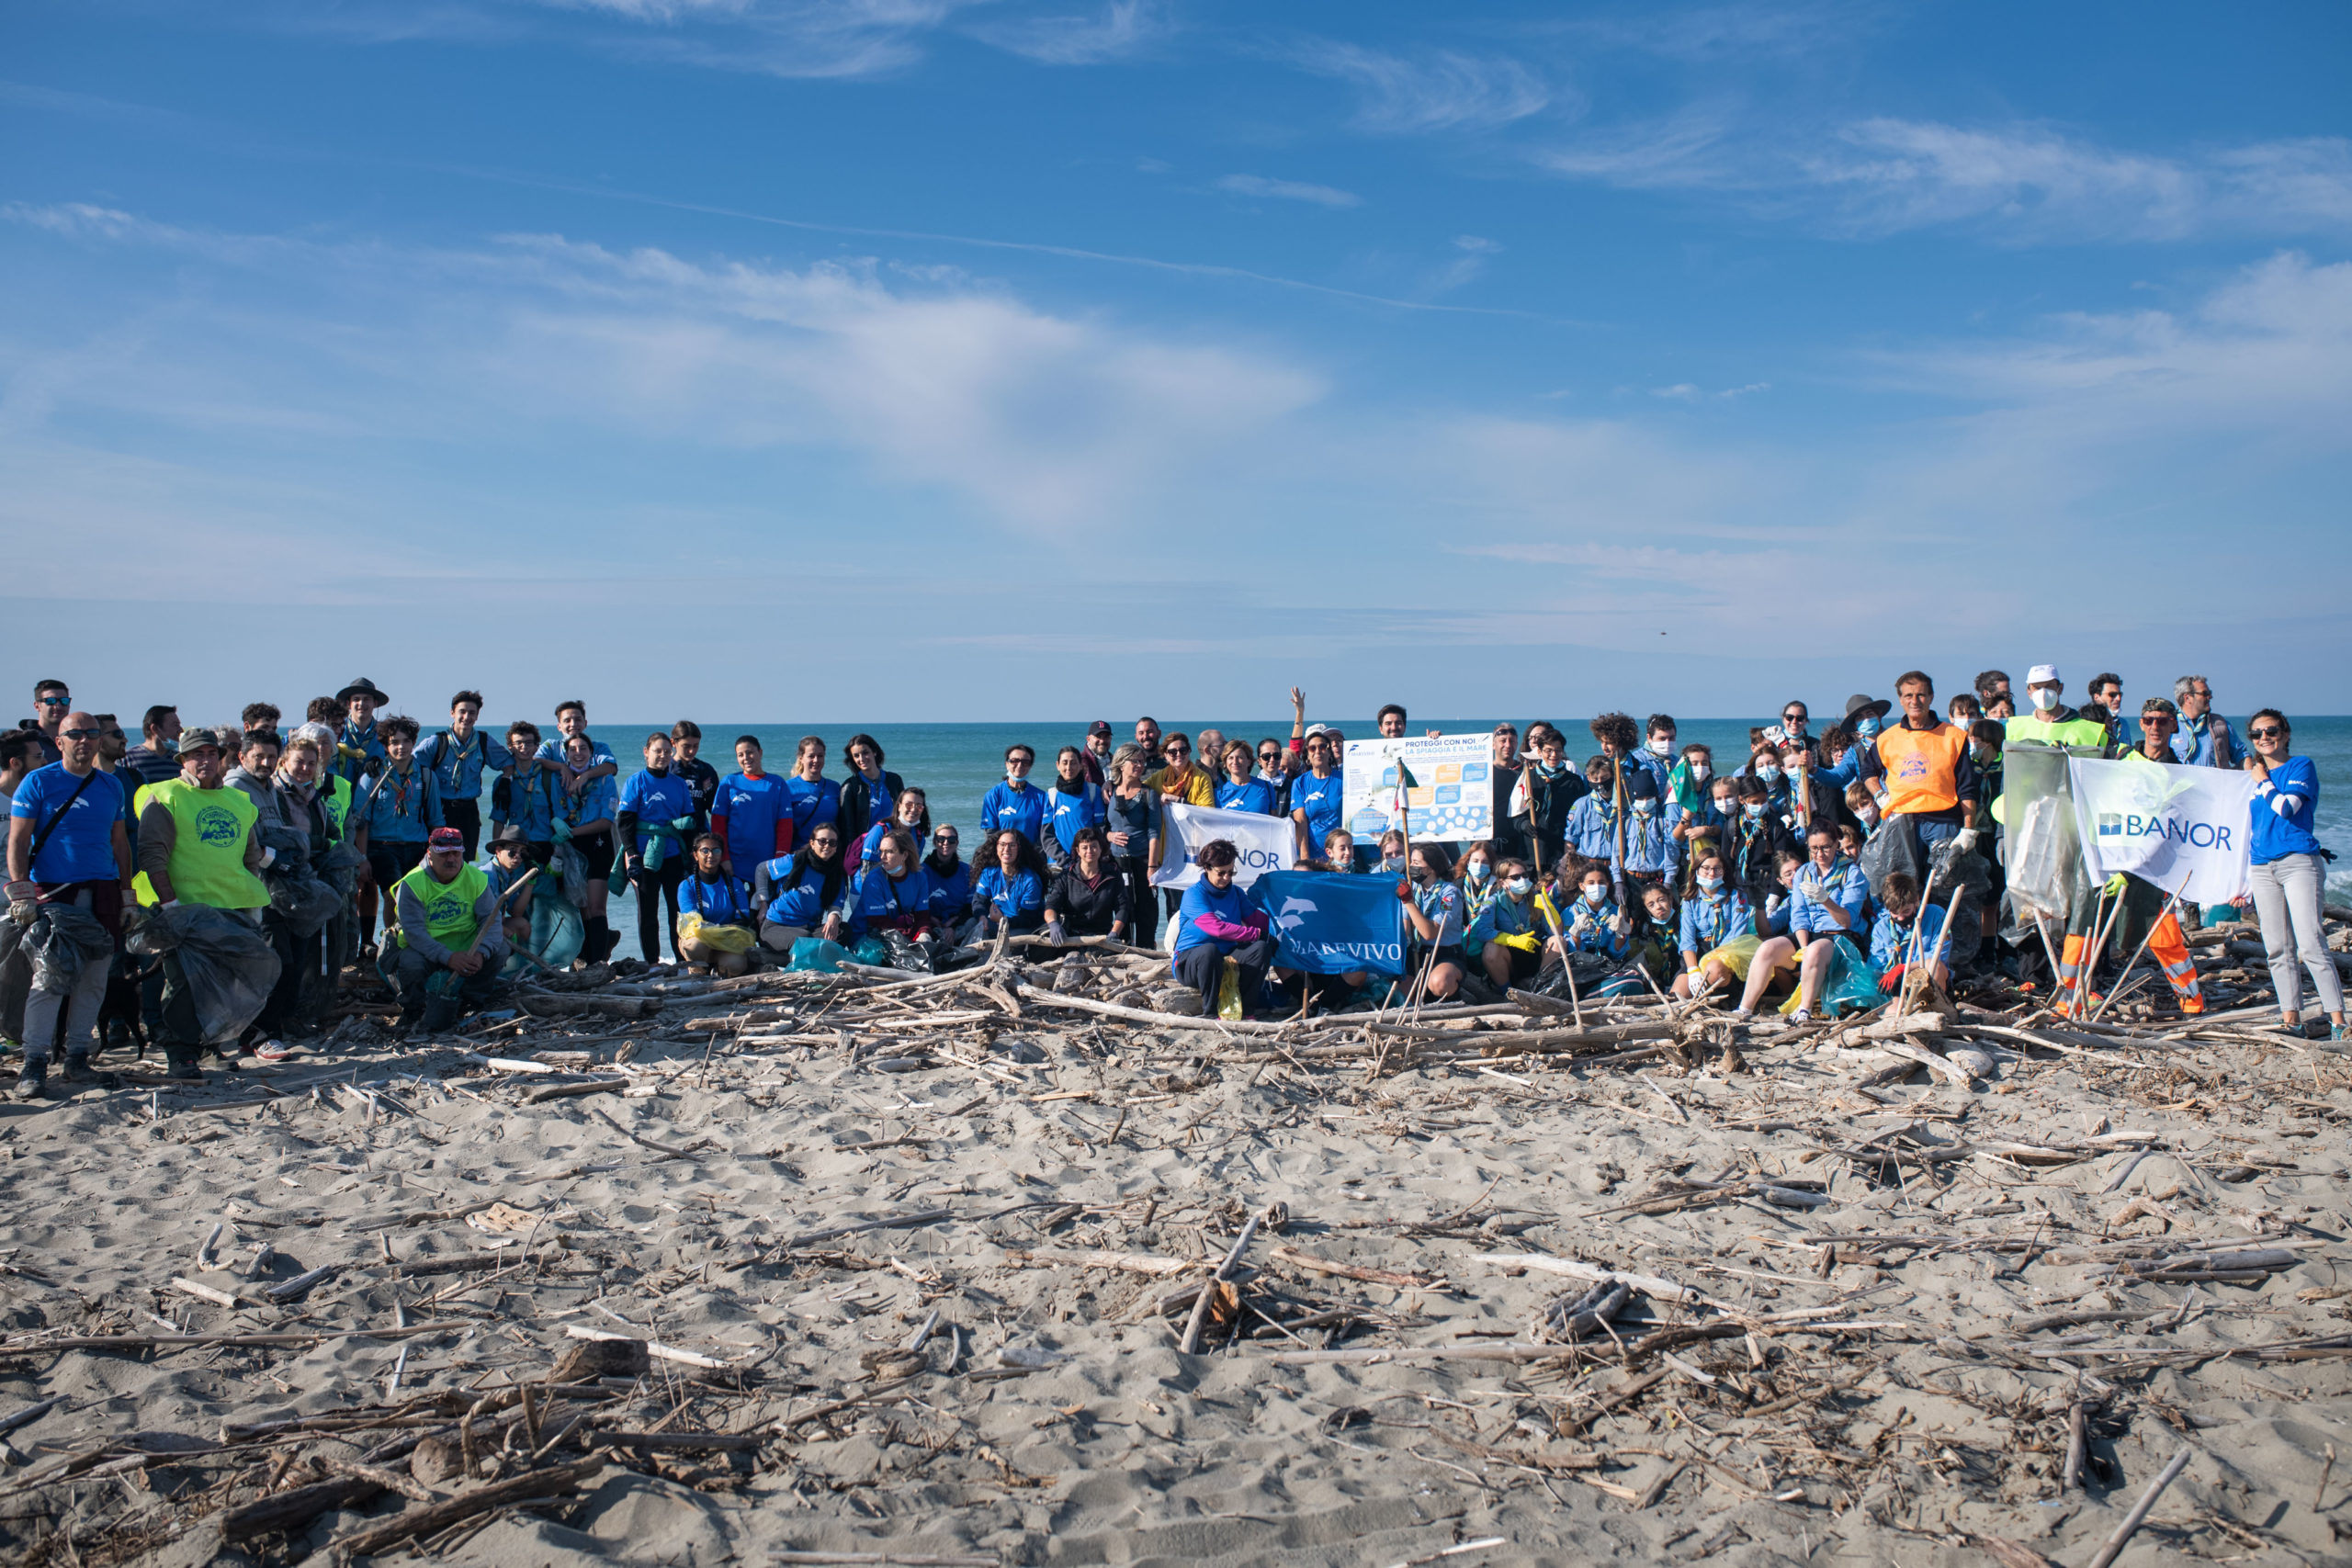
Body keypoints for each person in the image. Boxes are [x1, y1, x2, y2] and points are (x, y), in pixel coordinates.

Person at [130, 727, 272, 1079]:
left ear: (221, 757)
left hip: (229, 910)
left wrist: (248, 898)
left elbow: (251, 856)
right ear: (182, 760)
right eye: (196, 755)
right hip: (183, 910)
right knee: (182, 984)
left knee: (220, 984)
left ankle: (210, 1047)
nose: (205, 760)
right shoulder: (164, 796)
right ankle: (181, 1053)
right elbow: (152, 857)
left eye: (211, 753)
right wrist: (171, 906)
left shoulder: (238, 801)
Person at [6, 709, 132, 1094]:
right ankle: (35, 1063)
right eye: (74, 734)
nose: (84, 740)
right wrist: (21, 890)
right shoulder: (37, 782)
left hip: (104, 893)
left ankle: (78, 1059)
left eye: (91, 734)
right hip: (54, 894)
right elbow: (17, 841)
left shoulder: (111, 786)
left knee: (94, 980)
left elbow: (120, 843)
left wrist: (128, 895)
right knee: (48, 980)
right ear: (58, 741)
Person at [2244, 710, 2343, 1040]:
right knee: (2276, 947)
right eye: (2257, 734)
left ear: (2285, 734)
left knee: (2312, 943)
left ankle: (2339, 1021)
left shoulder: (2301, 766)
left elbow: (2287, 808)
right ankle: (2292, 1019)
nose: (2264, 738)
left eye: (2271, 731)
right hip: (2261, 867)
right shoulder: (2251, 778)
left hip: (2299, 862)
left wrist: (2262, 780)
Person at [1736, 822, 1869, 1023]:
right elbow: (1799, 914)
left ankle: (1804, 1010)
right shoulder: (1805, 872)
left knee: (1815, 951)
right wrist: (1803, 946)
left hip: (1840, 936)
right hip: (1809, 933)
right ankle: (1744, 1008)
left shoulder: (1852, 874)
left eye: (1825, 847)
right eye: (1814, 848)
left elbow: (1846, 920)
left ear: (1835, 845)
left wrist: (1826, 900)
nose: (1820, 854)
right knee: (1768, 948)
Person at [383, 826, 509, 1033]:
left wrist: (480, 953)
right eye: (444, 854)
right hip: (426, 946)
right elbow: (414, 932)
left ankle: (472, 1001)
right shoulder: (412, 883)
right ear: (430, 854)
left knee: (500, 949)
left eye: (456, 854)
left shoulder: (476, 879)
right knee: (410, 962)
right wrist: (447, 957)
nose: (451, 859)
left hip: (466, 943)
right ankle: (412, 1009)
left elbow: (491, 920)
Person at [1857, 671, 1980, 856]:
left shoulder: (1954, 736)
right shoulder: (1887, 738)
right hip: (1900, 820)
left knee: (1943, 882)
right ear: (1900, 699)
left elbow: (1967, 786)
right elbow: (1867, 771)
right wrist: (1880, 795)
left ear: (1931, 697)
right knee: (1903, 882)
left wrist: (1968, 830)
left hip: (1943, 820)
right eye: (1908, 696)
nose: (1915, 701)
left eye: (1921, 695)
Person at [353, 716, 441, 955]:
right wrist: (362, 858)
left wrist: (438, 853)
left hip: (416, 846)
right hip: (382, 847)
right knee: (394, 895)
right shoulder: (372, 775)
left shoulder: (426, 776)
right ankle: (391, 945)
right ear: (385, 746)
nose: (400, 747)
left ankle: (414, 944)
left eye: (406, 741)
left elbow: (435, 820)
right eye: (394, 742)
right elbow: (361, 822)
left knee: (418, 899)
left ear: (414, 743)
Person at [1170, 839, 1272, 1016]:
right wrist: (1255, 934)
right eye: (1221, 873)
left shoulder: (1237, 893)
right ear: (1207, 868)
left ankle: (1247, 1010)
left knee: (1261, 948)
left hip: (1225, 959)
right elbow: (1216, 929)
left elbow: (1260, 922)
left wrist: (1272, 897)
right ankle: (1210, 1011)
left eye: (1231, 872)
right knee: (1209, 950)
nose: (1227, 878)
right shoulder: (1193, 894)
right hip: (1190, 962)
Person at [617, 732, 695, 964]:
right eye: (657, 751)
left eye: (666, 751)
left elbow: (689, 823)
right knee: (648, 913)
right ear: (646, 752)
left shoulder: (679, 784)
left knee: (677, 912)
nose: (662, 755)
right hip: (644, 856)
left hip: (673, 854)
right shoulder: (635, 781)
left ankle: (681, 963)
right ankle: (652, 964)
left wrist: (691, 856)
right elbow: (625, 823)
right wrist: (632, 855)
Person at [556, 732, 619, 964]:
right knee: (579, 908)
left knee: (596, 907)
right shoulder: (559, 779)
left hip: (598, 845)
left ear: (591, 753)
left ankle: (599, 964)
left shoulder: (604, 780)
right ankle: (583, 962)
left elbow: (606, 821)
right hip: (569, 849)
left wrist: (570, 833)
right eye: (573, 749)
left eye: (583, 748)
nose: (578, 753)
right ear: (566, 753)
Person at [1673, 852, 1755, 1004]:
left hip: (1726, 950)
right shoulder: (1689, 900)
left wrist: (1708, 962)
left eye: (1717, 869)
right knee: (1678, 995)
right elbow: (1687, 939)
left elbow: (1737, 934)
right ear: (1697, 870)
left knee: (1714, 971)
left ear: (1724, 871)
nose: (1711, 873)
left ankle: (1727, 999)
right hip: (1700, 949)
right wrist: (1693, 970)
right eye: (1706, 868)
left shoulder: (1737, 896)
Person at [1102, 746, 1162, 947]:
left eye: (1141, 761)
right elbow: (1103, 826)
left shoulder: (1148, 794)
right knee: (1121, 907)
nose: (1139, 765)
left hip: (1142, 858)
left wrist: (1152, 867)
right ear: (1121, 764)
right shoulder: (1110, 792)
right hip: (1117, 862)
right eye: (1134, 761)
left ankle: (1146, 950)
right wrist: (1109, 836)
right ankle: (1123, 949)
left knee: (1146, 909)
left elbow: (1154, 831)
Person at [755, 826, 846, 953]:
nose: (827, 846)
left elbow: (836, 904)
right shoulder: (795, 861)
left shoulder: (837, 874)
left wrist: (833, 917)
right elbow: (762, 869)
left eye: (832, 843)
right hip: (776, 926)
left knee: (843, 931)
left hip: (809, 928)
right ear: (812, 843)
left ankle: (805, 955)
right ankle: (769, 957)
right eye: (822, 841)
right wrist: (763, 903)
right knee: (804, 939)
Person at [711, 736, 791, 877]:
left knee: (764, 900)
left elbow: (785, 825)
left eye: (750, 752)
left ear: (760, 752)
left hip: (767, 862)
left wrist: (780, 857)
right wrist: (724, 858)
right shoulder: (729, 782)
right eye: (740, 755)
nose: (746, 758)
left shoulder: (777, 783)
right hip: (734, 862)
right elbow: (718, 825)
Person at [840, 828, 935, 945]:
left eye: (889, 852)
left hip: (898, 931)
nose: (882, 857)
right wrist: (908, 937)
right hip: (866, 935)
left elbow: (922, 915)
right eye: (881, 851)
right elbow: (878, 920)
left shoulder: (919, 877)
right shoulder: (874, 879)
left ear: (904, 855)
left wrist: (924, 933)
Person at [1397, 841, 1467, 1003]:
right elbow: (1406, 926)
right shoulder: (1413, 888)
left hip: (1444, 952)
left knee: (1439, 983)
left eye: (1416, 863)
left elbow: (1430, 933)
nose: (1411, 866)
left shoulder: (1449, 894)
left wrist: (1408, 902)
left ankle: (1454, 1002)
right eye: (1411, 861)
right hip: (1417, 951)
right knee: (1403, 987)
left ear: (1431, 867)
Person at [1043, 826, 1133, 945]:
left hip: (1103, 936)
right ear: (1077, 850)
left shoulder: (1113, 875)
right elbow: (1051, 906)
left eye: (1094, 846)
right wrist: (1053, 924)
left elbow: (1123, 907)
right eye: (1084, 847)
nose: (1089, 851)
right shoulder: (1066, 876)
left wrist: (1114, 933)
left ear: (1101, 848)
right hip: (1071, 936)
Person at [1869, 872, 1950, 998]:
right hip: (1899, 985)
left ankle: (1934, 1006)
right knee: (1892, 1012)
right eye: (1895, 913)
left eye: (1906, 911)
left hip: (1927, 979)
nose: (1901, 918)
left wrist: (1905, 968)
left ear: (1917, 901)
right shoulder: (1881, 928)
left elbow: (1939, 955)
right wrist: (1890, 974)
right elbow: (1877, 963)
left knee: (1935, 966)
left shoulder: (1935, 915)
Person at [1468, 855, 1544, 989]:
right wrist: (1512, 940)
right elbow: (1482, 931)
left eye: (1524, 875)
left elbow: (1556, 933)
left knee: (1557, 941)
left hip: (1536, 949)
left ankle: (1542, 986)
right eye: (1516, 877)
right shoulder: (1492, 902)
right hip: (1509, 953)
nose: (1522, 880)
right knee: (1490, 949)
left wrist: (1550, 909)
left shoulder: (1537, 898)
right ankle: (1507, 992)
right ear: (1503, 883)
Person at [1519, 725, 1586, 875]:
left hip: (1560, 853)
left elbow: (1579, 818)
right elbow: (1515, 811)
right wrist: (1523, 824)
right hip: (1532, 852)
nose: (1554, 755)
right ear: (1540, 752)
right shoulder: (1527, 778)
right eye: (1549, 750)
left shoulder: (1574, 782)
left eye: (1558, 750)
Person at [492, 721, 563, 861]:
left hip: (546, 844)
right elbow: (498, 819)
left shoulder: (549, 778)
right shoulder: (504, 782)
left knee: (545, 881)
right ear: (510, 747)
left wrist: (559, 848)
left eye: (529, 743)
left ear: (537, 746)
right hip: (515, 846)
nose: (524, 747)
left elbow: (559, 813)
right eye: (518, 743)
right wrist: (497, 853)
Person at [971, 828, 1046, 938]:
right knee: (971, 924)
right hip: (997, 922)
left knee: (1010, 937)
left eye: (1012, 845)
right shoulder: (989, 873)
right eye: (1002, 844)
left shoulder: (1030, 880)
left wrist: (1003, 920)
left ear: (1020, 849)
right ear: (996, 847)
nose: (1006, 849)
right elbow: (979, 901)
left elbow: (1029, 918)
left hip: (1021, 927)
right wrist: (981, 916)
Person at [1287, 728, 1346, 868]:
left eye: (1322, 747)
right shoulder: (1299, 783)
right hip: (1314, 856)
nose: (1318, 751)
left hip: (1340, 857)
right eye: (1312, 748)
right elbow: (1300, 823)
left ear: (1329, 752)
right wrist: (1305, 859)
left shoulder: (1344, 779)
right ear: (1307, 755)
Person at [1615, 770, 1681, 889]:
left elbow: (1671, 851)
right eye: (1640, 798)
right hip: (1632, 879)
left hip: (1657, 878)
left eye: (1649, 797)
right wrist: (1618, 881)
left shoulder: (1662, 820)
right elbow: (1616, 852)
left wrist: (1668, 881)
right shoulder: (1626, 820)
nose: (1645, 802)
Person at [1044, 748, 1109, 866]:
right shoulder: (1051, 795)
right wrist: (1062, 858)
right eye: (1065, 763)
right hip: (1058, 863)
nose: (1069, 767)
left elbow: (1100, 829)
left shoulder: (1093, 790)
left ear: (1081, 765)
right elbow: (1047, 835)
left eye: (1073, 763)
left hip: (1086, 862)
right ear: (1057, 765)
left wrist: (1088, 856)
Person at [483, 825, 538, 956]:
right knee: (509, 933)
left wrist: (530, 881)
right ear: (498, 851)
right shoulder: (487, 876)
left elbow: (516, 912)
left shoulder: (508, 875)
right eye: (512, 851)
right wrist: (507, 933)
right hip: (479, 928)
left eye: (522, 852)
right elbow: (480, 919)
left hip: (495, 924)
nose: (518, 856)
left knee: (522, 925)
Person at [838, 733, 903, 844]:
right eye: (856, 755)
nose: (861, 759)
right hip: (866, 848)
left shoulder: (894, 780)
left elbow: (904, 814)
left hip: (894, 846)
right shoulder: (850, 787)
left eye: (865, 753)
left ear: (875, 752)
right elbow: (847, 828)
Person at [853, 786, 932, 873]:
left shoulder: (919, 837)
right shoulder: (880, 831)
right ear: (899, 807)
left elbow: (912, 869)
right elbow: (867, 870)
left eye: (919, 806)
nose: (913, 809)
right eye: (909, 805)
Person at [782, 736, 842, 850]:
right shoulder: (788, 787)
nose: (816, 760)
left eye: (820, 756)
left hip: (828, 854)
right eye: (811, 756)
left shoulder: (834, 787)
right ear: (801, 758)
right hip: (799, 853)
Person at [2172, 675, 2245, 769]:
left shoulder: (2220, 725)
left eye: (2209, 693)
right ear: (2187, 698)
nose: (2210, 697)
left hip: (2216, 783)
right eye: (2205, 693)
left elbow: (2241, 755)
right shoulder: (2168, 726)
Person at [979, 744, 1046, 847]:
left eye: (1025, 762)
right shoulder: (993, 795)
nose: (1019, 765)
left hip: (1032, 856)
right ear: (1007, 764)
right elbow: (990, 833)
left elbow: (1044, 833)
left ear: (1030, 766)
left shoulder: (1042, 797)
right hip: (1003, 855)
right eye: (1014, 761)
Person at [331, 677, 391, 787]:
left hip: (372, 797)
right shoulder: (336, 731)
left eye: (367, 699)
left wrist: (379, 761)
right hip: (338, 795)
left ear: (375, 703)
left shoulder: (386, 735)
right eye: (356, 699)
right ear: (349, 704)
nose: (361, 703)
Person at [670, 721, 721, 842]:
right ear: (673, 743)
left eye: (696, 746)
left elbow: (714, 807)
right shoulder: (665, 770)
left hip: (698, 834)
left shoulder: (705, 770)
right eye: (686, 746)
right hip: (671, 834)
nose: (692, 751)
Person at [1486, 724, 1527, 860]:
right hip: (1486, 842)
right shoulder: (1482, 772)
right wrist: (1435, 742)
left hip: (1518, 844)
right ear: (1493, 744)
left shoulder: (1525, 773)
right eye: (1503, 741)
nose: (1508, 745)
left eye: (1512, 741)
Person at [922, 826, 973, 936]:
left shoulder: (967, 871)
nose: (946, 843)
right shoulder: (921, 871)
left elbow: (970, 906)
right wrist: (931, 919)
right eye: (941, 839)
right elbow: (915, 905)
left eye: (951, 840)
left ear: (957, 843)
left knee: (974, 923)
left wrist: (953, 926)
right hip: (929, 922)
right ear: (935, 842)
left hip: (958, 923)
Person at [122, 705, 181, 789]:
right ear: (155, 728)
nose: (180, 730)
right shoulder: (128, 759)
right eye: (175, 725)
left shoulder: (180, 760)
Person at [1214, 740, 1279, 816]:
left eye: (1240, 757)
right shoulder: (1219, 793)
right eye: (1231, 758)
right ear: (1226, 762)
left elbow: (1275, 819)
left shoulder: (1265, 787)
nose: (1235, 762)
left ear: (1249, 761)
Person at [19, 681, 71, 767]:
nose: (58, 706)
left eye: (64, 701)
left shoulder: (77, 738)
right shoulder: (24, 740)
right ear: (37, 706)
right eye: (50, 701)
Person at [2086, 673, 2128, 751]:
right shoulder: (2087, 724)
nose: (2118, 699)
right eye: (2112, 695)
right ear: (2097, 697)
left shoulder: (2123, 724)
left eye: (2120, 694)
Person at [1076, 720, 1115, 786]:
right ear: (1088, 739)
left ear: (1110, 739)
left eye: (1106, 737)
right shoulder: (1080, 762)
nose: (1102, 741)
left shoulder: (1116, 761)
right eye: (1098, 736)